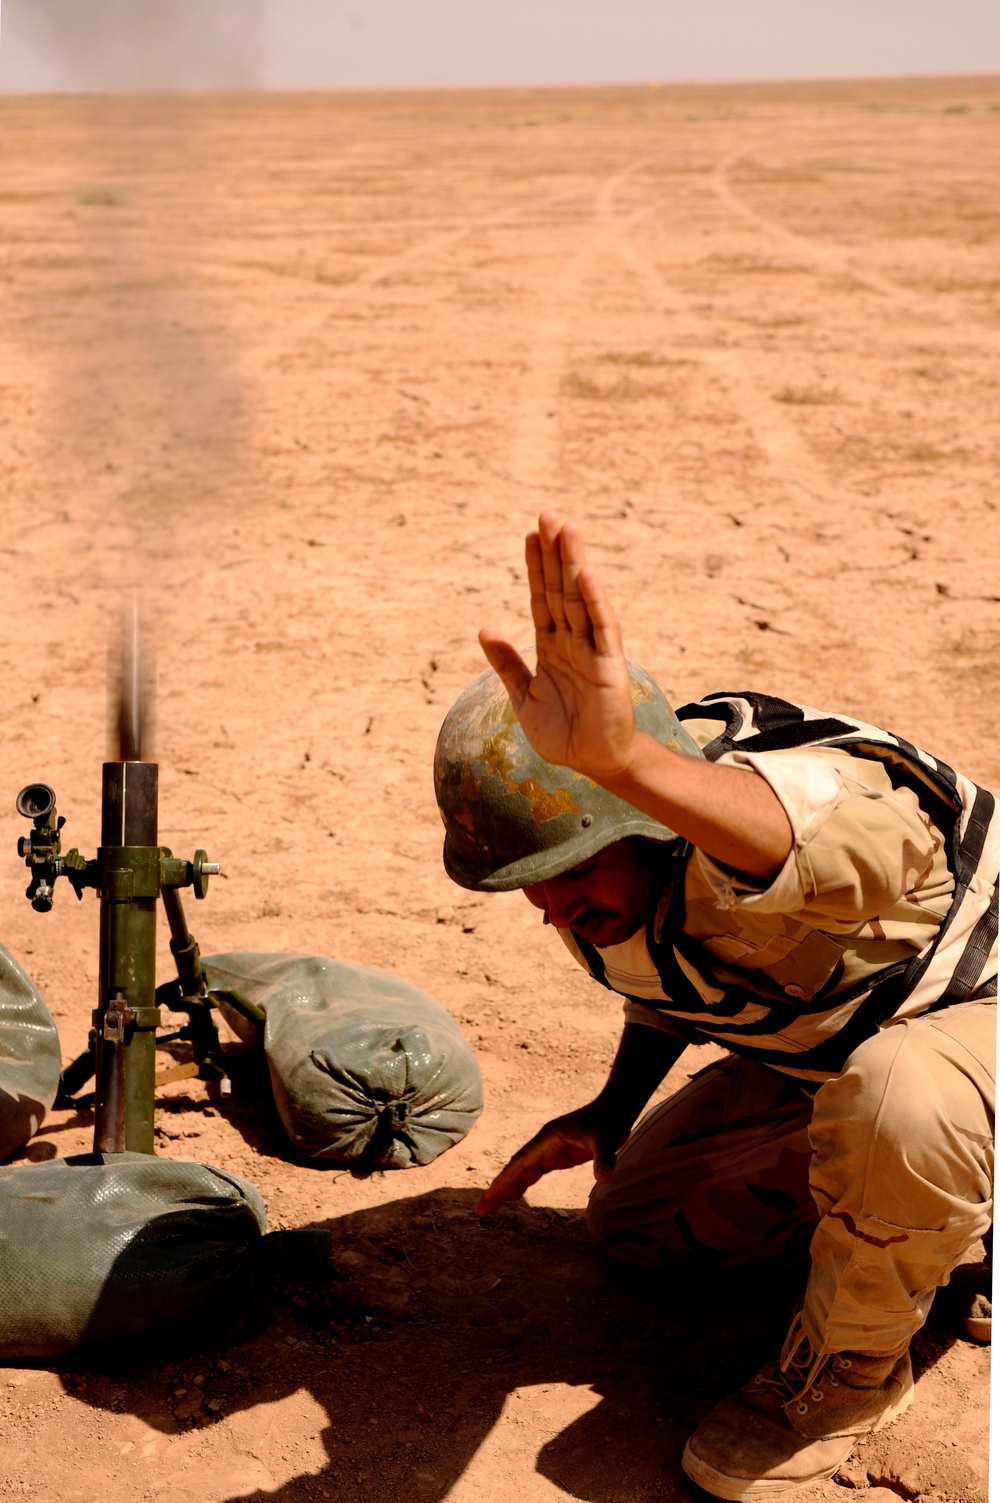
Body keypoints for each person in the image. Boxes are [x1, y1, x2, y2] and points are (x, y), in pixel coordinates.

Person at [433, 512, 996, 1502]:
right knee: (639, 1231)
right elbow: (673, 976)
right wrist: (611, 1108)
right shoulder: (602, 883)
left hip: (959, 1044)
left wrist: (631, 768)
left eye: (568, 874)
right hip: (865, 1050)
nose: (552, 909)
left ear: (648, 816)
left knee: (902, 1095)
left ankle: (849, 1378)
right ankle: (945, 1233)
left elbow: (803, 845)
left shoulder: (823, 800)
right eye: (530, 885)